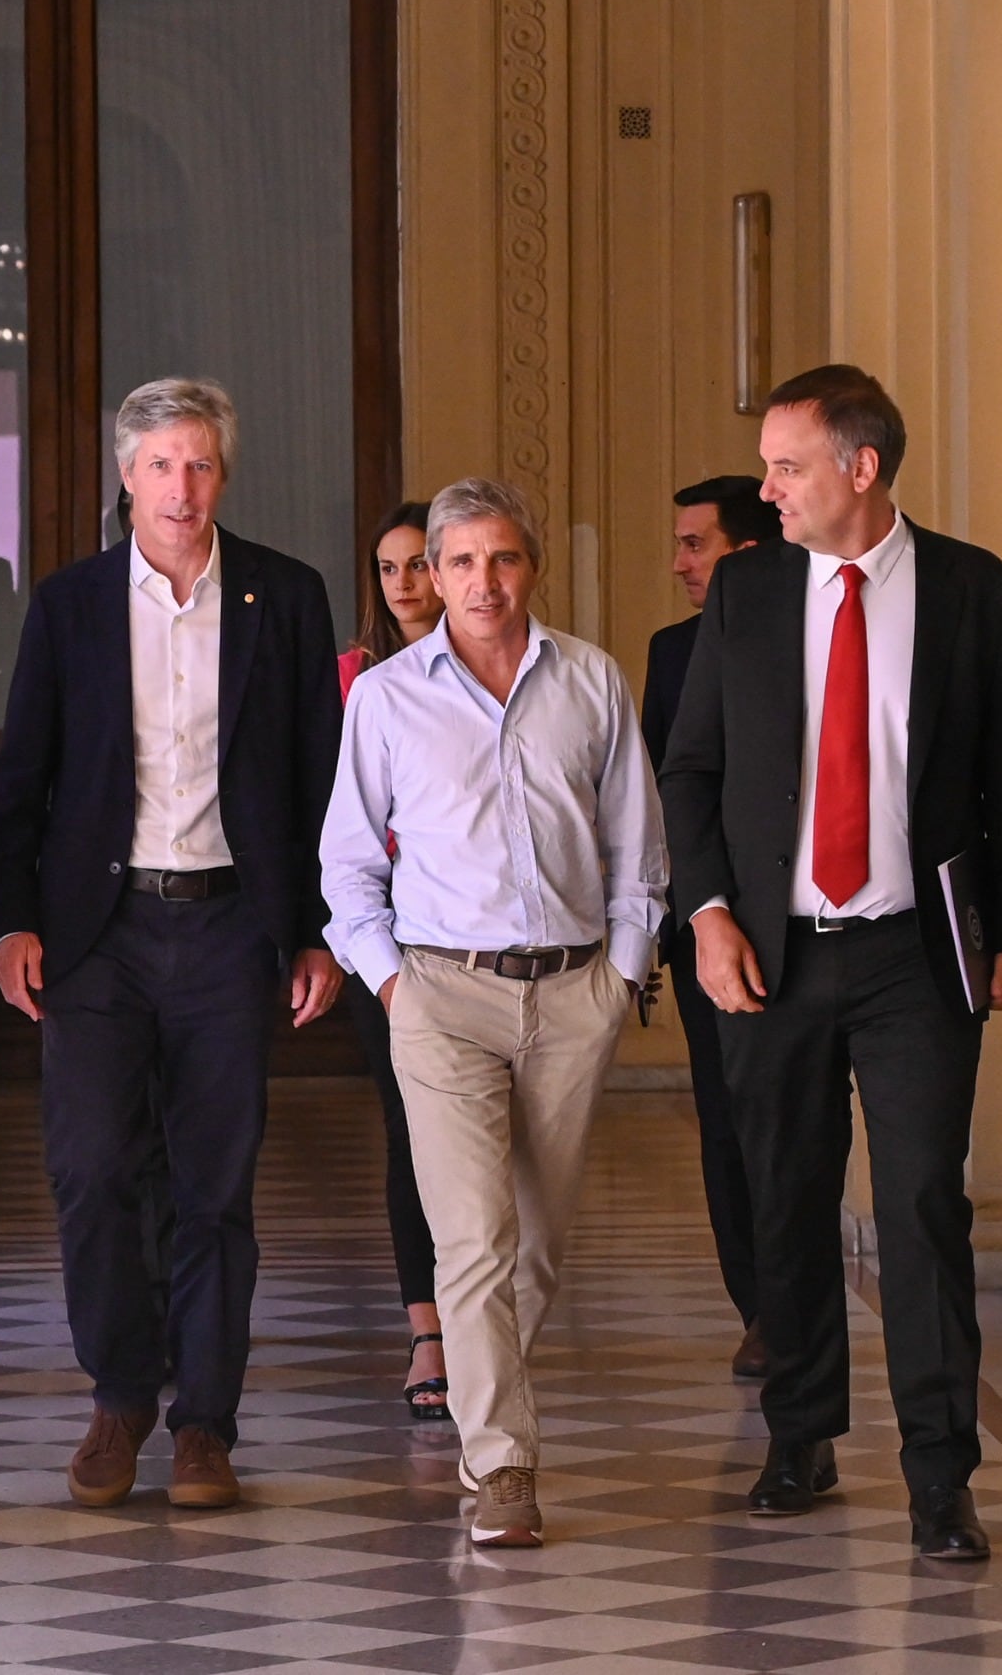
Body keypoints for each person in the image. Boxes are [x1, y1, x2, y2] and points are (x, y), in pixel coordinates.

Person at [658, 364, 1002, 1562]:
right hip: (772, 954)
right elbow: (692, 773)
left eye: (786, 465)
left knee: (924, 1205)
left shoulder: (976, 592)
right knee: (785, 1195)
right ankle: (801, 1433)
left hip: (912, 958)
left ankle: (941, 1473)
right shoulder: (747, 596)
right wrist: (709, 911)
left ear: (860, 469)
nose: (768, 488)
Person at [0, 377, 343, 1513]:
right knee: (92, 1170)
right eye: (158, 465)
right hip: (100, 933)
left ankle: (204, 1423)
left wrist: (318, 929)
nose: (180, 487)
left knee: (213, 1184)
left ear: (221, 474)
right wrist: (8, 920)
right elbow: (21, 778)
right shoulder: (71, 603)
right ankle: (120, 1392)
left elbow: (322, 776)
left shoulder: (283, 597)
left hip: (234, 924)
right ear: (126, 479)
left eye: (197, 464)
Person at [321, 476, 667, 1549]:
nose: (481, 580)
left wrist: (619, 975)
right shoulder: (385, 697)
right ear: (431, 572)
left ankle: (491, 1401)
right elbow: (344, 863)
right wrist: (391, 984)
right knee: (470, 1237)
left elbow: (637, 849)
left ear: (532, 568)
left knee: (536, 1246)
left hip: (571, 992)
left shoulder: (591, 681)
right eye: (458, 560)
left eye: (501, 558)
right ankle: (503, 1461)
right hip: (441, 991)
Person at [640, 475, 777, 1378]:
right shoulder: (672, 649)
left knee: (789, 1123)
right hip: (704, 925)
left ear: (747, 555)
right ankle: (759, 1307)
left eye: (697, 544)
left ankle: (796, 1301)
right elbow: (662, 787)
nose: (681, 562)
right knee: (725, 1121)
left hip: (804, 921)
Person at [337, 499, 450, 1419]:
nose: (405, 583)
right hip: (388, 939)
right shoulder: (352, 678)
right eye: (389, 566)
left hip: (484, 934)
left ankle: (488, 1315)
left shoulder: (499, 663)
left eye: (419, 562)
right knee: (410, 1128)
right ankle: (428, 1327)